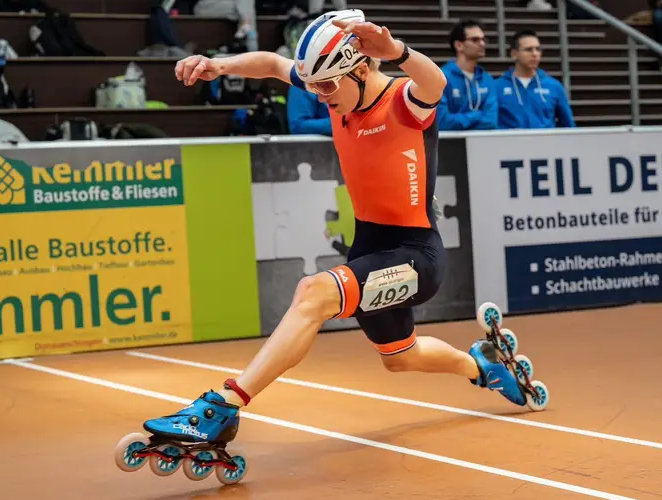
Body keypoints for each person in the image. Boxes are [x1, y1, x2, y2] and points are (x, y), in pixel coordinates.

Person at [140, 9, 530, 454]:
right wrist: (218, 65)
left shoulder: (403, 102)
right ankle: (482, 366)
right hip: (370, 248)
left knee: (314, 293)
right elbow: (272, 63)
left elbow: (435, 84)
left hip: (415, 255)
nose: (319, 96)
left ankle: (224, 405)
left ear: (361, 69)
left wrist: (397, 51)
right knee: (400, 357)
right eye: (314, 86)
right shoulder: (331, 81)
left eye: (327, 86)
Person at [495, 30, 576, 129]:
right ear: (514, 54)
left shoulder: (554, 86)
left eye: (538, 49)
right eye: (528, 49)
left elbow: (568, 125)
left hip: (545, 139)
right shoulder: (497, 87)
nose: (535, 54)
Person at [437, 19, 498, 132]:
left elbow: (491, 121)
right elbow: (443, 122)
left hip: (480, 141)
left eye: (483, 39)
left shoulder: (487, 79)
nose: (482, 44)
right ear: (459, 45)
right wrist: (477, 115)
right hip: (449, 142)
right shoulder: (441, 77)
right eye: (475, 40)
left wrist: (462, 120)